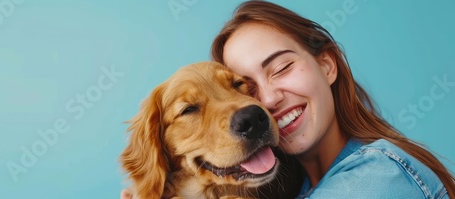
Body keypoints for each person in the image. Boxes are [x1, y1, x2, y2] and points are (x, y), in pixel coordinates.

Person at [122, 1, 455, 198]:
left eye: (281, 68)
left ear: (326, 65)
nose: (262, 101)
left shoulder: (380, 177)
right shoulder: (301, 189)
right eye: (246, 85)